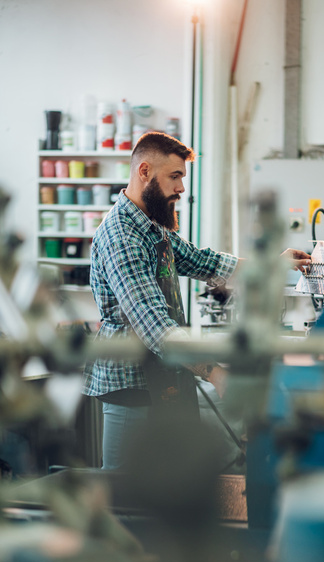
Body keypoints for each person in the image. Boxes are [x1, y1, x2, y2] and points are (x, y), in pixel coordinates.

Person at [82, 131, 311, 470]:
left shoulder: (152, 227)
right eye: (175, 176)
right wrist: (215, 373)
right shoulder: (121, 237)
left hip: (163, 377)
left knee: (165, 487)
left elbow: (205, 262)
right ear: (144, 171)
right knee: (125, 493)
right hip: (131, 386)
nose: (181, 188)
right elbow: (155, 328)